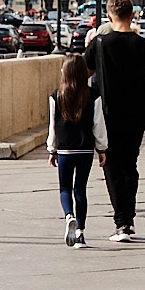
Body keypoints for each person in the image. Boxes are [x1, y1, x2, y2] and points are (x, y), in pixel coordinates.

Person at [84, 0, 145, 242]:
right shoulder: (144, 45)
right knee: (130, 163)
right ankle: (128, 220)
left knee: (111, 165)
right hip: (136, 112)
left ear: (109, 16)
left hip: (107, 113)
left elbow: (82, 74)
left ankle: (122, 222)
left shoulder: (99, 43)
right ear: (132, 15)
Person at [48, 55, 108, 247]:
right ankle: (80, 232)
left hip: (64, 150)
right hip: (85, 150)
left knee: (64, 188)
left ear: (64, 73)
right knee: (80, 189)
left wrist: (52, 149)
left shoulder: (56, 95)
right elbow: (98, 124)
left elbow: (52, 126)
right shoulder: (93, 94)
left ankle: (69, 216)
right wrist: (102, 148)